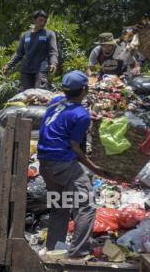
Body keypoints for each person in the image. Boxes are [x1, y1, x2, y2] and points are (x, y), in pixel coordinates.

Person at [37, 70, 106, 258]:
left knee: (60, 206)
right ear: (84, 89)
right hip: (63, 165)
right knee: (86, 205)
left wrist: (86, 113)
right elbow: (75, 147)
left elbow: (65, 111)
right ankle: (78, 253)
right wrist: (95, 168)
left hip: (45, 165)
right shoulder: (80, 115)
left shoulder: (56, 102)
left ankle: (54, 249)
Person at [2, 10, 58, 90]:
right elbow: (19, 53)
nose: (43, 23)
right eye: (40, 20)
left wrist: (53, 63)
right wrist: (8, 65)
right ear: (34, 20)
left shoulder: (49, 34)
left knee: (39, 95)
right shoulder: (25, 35)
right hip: (26, 70)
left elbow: (53, 51)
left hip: (41, 70)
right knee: (26, 96)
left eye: (45, 21)